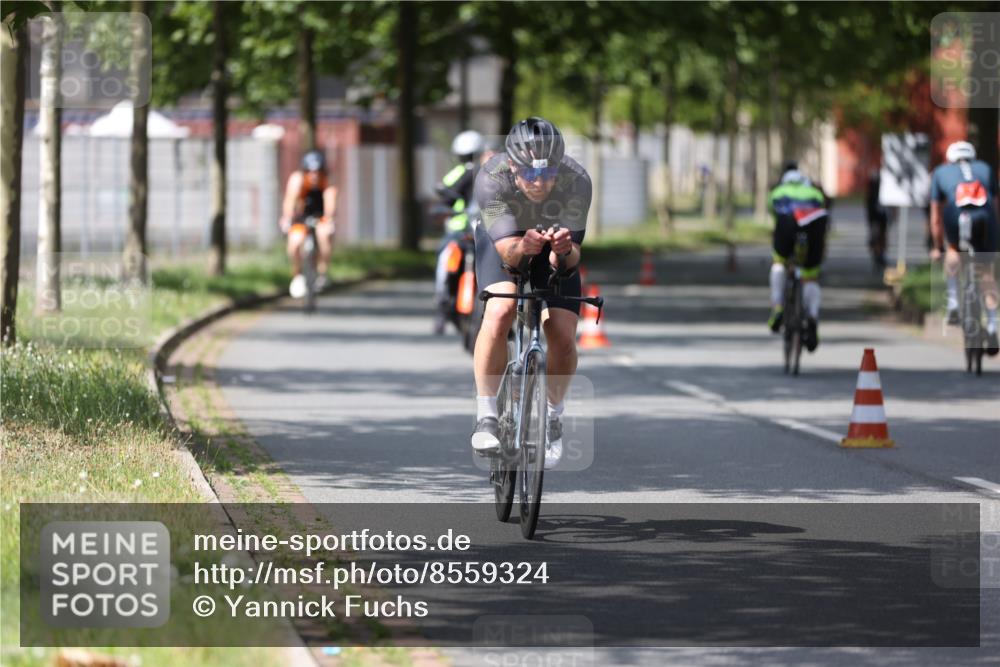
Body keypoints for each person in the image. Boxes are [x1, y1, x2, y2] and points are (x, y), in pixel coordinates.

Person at [470, 117, 591, 468]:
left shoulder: (577, 180)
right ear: (512, 166)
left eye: (548, 173)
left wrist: (562, 251)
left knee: (563, 335)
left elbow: (570, 260)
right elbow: (509, 255)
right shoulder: (491, 178)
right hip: (505, 242)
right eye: (530, 174)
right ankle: (487, 416)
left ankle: (552, 417)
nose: (540, 182)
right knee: (500, 311)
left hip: (551, 242)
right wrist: (524, 245)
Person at [929, 140, 999, 355]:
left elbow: (935, 218)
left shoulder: (940, 172)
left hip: (956, 216)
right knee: (986, 272)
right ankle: (993, 327)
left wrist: (937, 247)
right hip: (985, 217)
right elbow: (996, 207)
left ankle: (953, 303)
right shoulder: (986, 168)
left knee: (953, 250)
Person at [767, 160, 829, 352]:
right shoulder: (815, 193)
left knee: (778, 264)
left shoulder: (777, 193)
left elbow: (774, 218)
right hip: (813, 229)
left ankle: (778, 308)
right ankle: (812, 317)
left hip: (787, 226)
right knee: (810, 277)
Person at [433, 130, 484, 334]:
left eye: (470, 155)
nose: (468, 160)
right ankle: (442, 304)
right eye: (465, 156)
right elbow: (445, 196)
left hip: (482, 229)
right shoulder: (457, 173)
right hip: (459, 230)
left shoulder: (490, 173)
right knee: (445, 258)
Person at [280, 149, 337, 298]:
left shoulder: (327, 181)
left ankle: (322, 273)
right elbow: (289, 200)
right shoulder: (297, 180)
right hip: (301, 216)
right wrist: (287, 218)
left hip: (321, 215)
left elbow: (330, 201)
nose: (314, 175)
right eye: (310, 171)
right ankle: (297, 275)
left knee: (324, 235)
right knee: (294, 243)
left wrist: (329, 219)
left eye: (317, 172)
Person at [865, 168, 890, 271]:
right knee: (876, 235)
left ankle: (880, 254)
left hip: (881, 215)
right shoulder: (873, 191)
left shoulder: (886, 184)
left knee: (881, 234)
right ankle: (877, 254)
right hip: (874, 215)